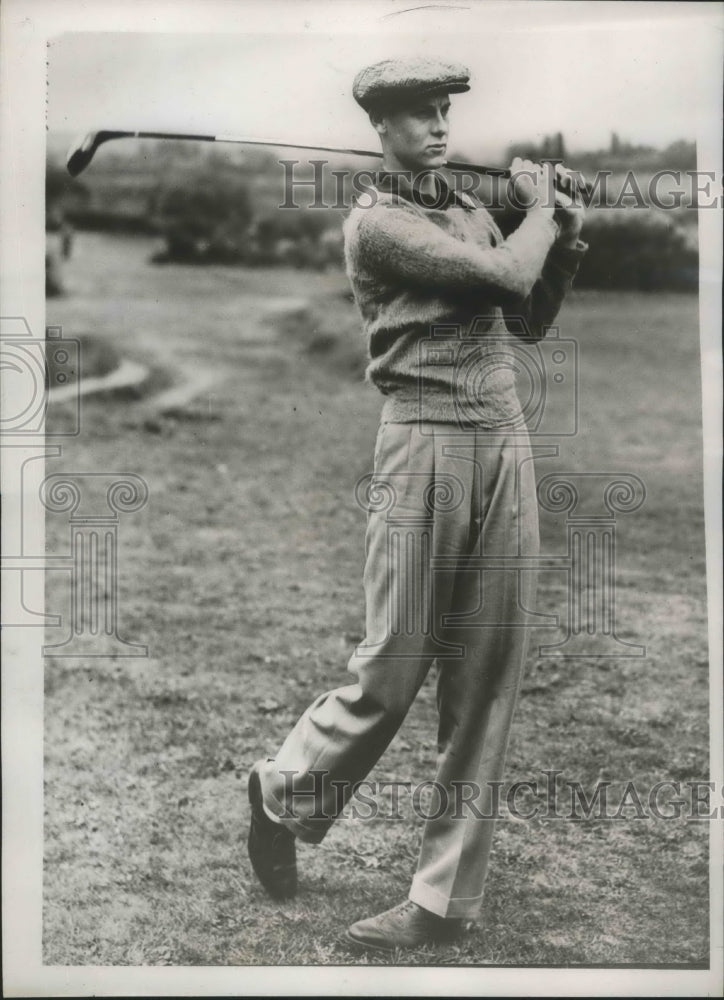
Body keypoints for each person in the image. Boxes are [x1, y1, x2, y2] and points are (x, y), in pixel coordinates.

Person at [247, 56, 586, 952]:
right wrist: (540, 213)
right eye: (418, 115)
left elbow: (533, 312)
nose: (437, 127)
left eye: (444, 112)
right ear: (381, 129)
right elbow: (508, 277)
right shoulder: (379, 225)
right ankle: (283, 793)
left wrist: (567, 228)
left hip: (501, 438)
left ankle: (443, 901)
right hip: (423, 441)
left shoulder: (473, 212)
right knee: (393, 668)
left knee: (488, 673)